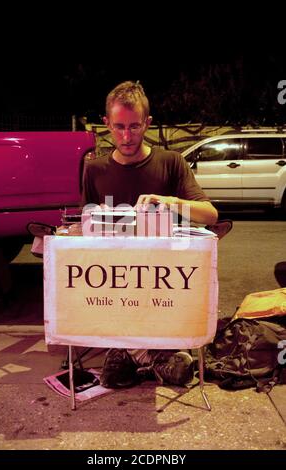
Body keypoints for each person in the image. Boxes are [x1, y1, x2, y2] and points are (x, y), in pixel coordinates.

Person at [81, 80, 218, 389]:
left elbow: (210, 214)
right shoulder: (95, 170)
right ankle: (150, 356)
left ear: (148, 123)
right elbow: (86, 227)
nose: (127, 137)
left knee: (120, 373)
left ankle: (144, 353)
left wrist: (169, 201)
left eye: (134, 127)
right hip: (115, 286)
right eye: (118, 127)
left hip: (163, 285)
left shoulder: (171, 162)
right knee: (114, 378)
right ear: (106, 125)